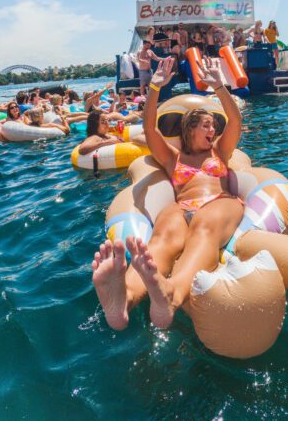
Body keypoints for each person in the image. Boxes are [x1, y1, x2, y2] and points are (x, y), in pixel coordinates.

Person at [91, 56, 244, 331]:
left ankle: (172, 294)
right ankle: (125, 297)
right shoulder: (174, 159)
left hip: (219, 203)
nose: (213, 129)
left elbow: (235, 120)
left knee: (204, 228)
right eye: (206, 125)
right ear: (190, 129)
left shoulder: (220, 151)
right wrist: (154, 88)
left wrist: (220, 87)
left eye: (213, 126)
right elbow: (149, 128)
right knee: (162, 239)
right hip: (182, 205)